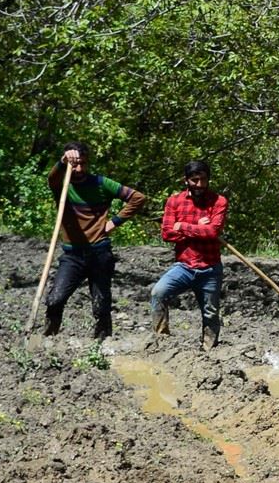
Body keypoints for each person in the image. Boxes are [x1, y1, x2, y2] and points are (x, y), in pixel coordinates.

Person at [43, 143, 147, 341]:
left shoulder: (101, 183)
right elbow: (52, 178)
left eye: (83, 164)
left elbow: (137, 198)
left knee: (101, 305)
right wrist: (63, 162)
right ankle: (49, 337)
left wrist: (113, 223)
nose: (79, 169)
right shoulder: (61, 185)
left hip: (100, 253)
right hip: (72, 255)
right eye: (75, 165)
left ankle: (102, 343)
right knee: (55, 299)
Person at [150, 159, 228, 349]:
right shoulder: (174, 201)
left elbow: (212, 232)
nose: (200, 184)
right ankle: (162, 339)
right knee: (158, 292)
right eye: (194, 180)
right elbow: (167, 233)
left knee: (210, 312)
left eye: (203, 180)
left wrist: (183, 227)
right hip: (184, 265)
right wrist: (199, 228)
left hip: (210, 267)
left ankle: (209, 348)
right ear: (186, 180)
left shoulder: (219, 201)